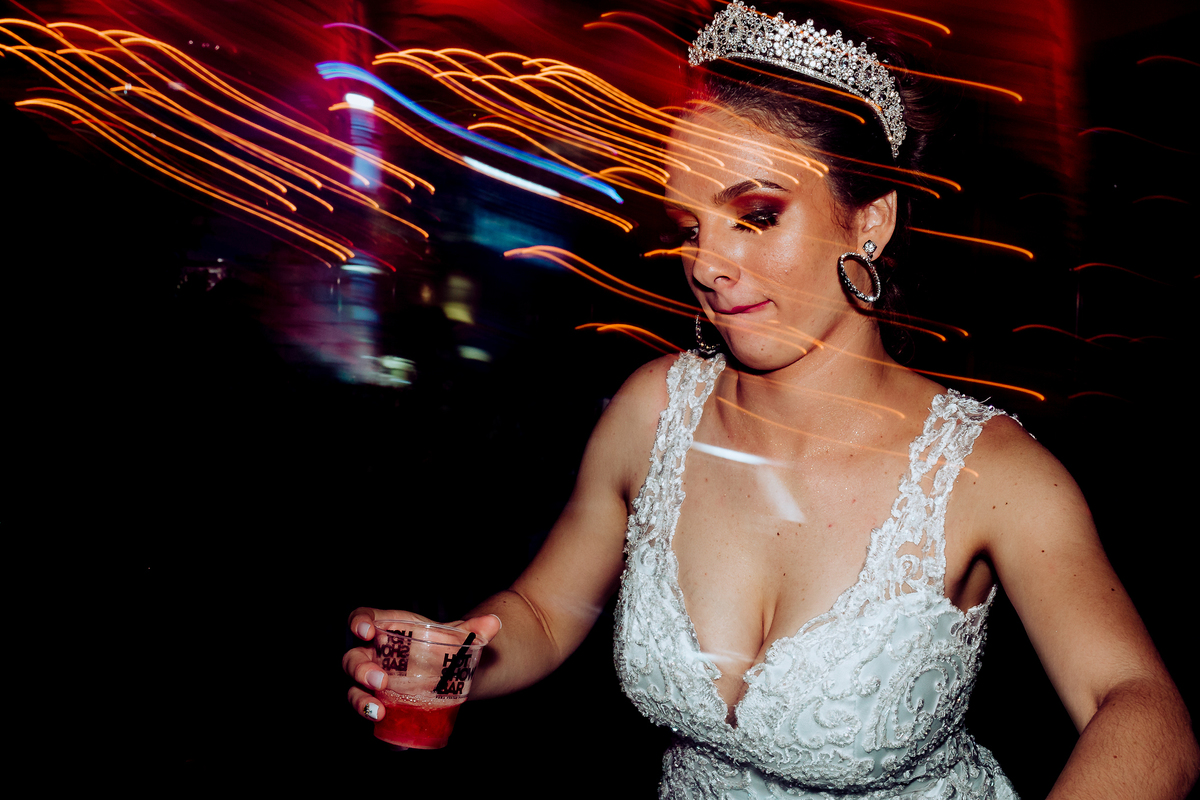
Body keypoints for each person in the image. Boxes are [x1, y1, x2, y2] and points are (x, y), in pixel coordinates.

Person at [343, 3, 1199, 797]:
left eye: (755, 214)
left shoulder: (990, 474)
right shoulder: (652, 411)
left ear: (870, 221)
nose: (707, 265)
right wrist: (455, 660)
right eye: (690, 227)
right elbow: (541, 614)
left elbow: (1139, 707)